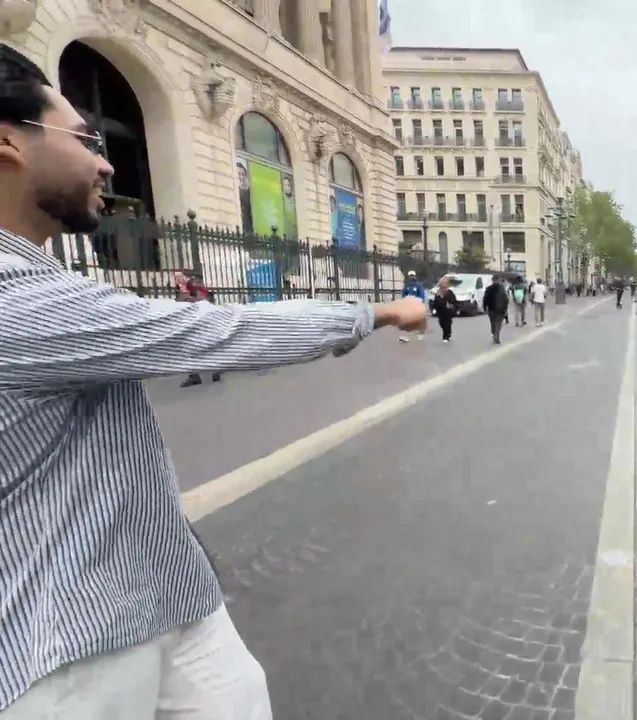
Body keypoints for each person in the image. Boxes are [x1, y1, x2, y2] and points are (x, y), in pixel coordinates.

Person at [0, 45, 427, 718]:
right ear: (9, 143)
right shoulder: (13, 298)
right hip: (71, 636)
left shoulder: (40, 275)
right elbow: (217, 331)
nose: (105, 162)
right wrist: (377, 311)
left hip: (168, 590)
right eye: (83, 138)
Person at [175, 271, 222, 387]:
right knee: (190, 349)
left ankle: (216, 371)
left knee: (211, 347)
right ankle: (194, 376)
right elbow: (179, 305)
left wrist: (191, 299)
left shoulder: (201, 291)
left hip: (205, 324)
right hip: (192, 325)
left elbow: (205, 303)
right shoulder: (184, 291)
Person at [399, 270, 426, 342]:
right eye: (410, 276)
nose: (411, 277)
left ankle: (420, 335)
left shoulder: (419, 285)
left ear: (415, 276)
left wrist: (419, 302)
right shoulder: (407, 285)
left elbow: (422, 295)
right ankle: (405, 336)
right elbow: (403, 294)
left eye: (412, 276)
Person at [483, 275, 509, 344]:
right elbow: (506, 299)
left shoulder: (488, 288)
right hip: (500, 309)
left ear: (492, 280)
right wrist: (505, 308)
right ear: (498, 280)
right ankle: (496, 336)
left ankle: (494, 334)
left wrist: (485, 307)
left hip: (491, 309)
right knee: (498, 324)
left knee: (492, 323)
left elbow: (485, 299)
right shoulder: (502, 288)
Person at [434, 275, 458, 343]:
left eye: (445, 283)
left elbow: (454, 301)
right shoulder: (438, 292)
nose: (443, 285)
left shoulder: (449, 292)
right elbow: (435, 301)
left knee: (447, 323)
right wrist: (435, 307)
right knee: (441, 323)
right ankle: (447, 333)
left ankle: (446, 336)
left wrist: (455, 308)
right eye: (442, 283)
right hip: (440, 311)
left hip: (448, 311)